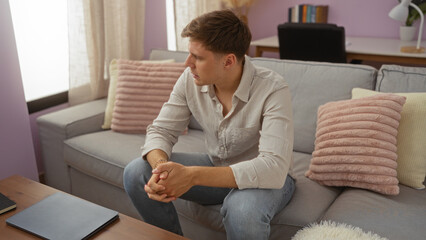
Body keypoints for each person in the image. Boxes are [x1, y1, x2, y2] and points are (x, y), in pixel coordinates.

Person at [123, 9, 295, 240]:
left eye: (198, 57)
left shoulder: (272, 89)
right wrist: (163, 168)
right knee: (136, 172)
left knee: (241, 210)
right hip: (216, 167)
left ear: (229, 61)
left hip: (267, 179)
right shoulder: (189, 80)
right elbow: (161, 130)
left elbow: (273, 167)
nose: (187, 64)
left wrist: (192, 176)